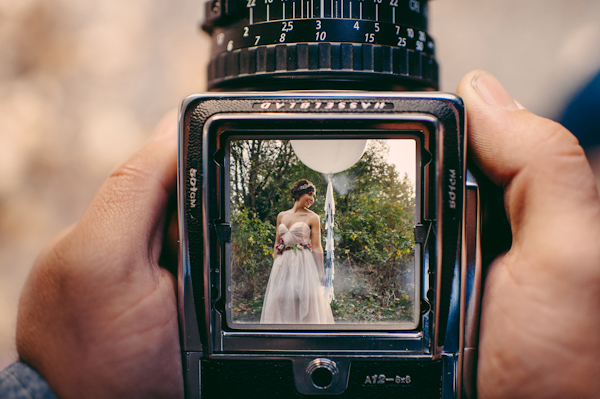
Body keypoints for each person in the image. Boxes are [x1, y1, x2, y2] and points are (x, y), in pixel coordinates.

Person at [1, 70, 599, 399]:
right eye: (306, 199)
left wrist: (53, 384)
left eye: (310, 201)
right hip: (289, 267)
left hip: (304, 268)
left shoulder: (310, 220)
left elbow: (315, 244)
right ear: (299, 198)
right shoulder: (294, 217)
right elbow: (277, 242)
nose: (307, 204)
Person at [260, 180, 334, 324]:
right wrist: (276, 266)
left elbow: (317, 246)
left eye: (314, 196)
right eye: (310, 194)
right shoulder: (281, 216)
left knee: (303, 297)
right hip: (283, 263)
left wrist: (320, 272)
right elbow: (277, 243)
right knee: (283, 300)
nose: (312, 199)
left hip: (303, 262)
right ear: (299, 193)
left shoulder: (313, 217)